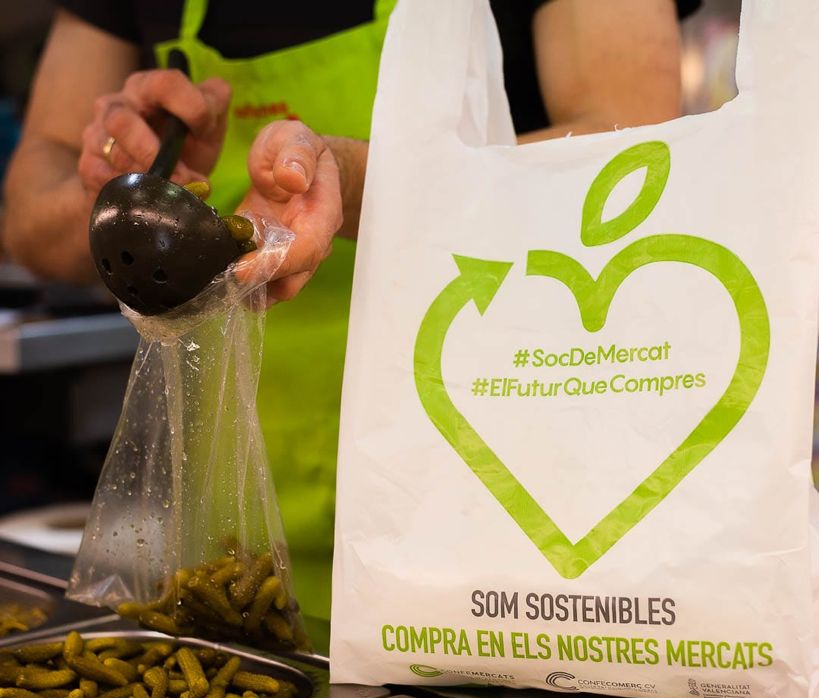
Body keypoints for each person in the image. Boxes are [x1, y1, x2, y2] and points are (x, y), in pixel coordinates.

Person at [2, 0, 698, 622]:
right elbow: (30, 218)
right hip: (235, 528)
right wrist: (118, 181)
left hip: (498, 507)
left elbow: (633, 153)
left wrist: (363, 182)